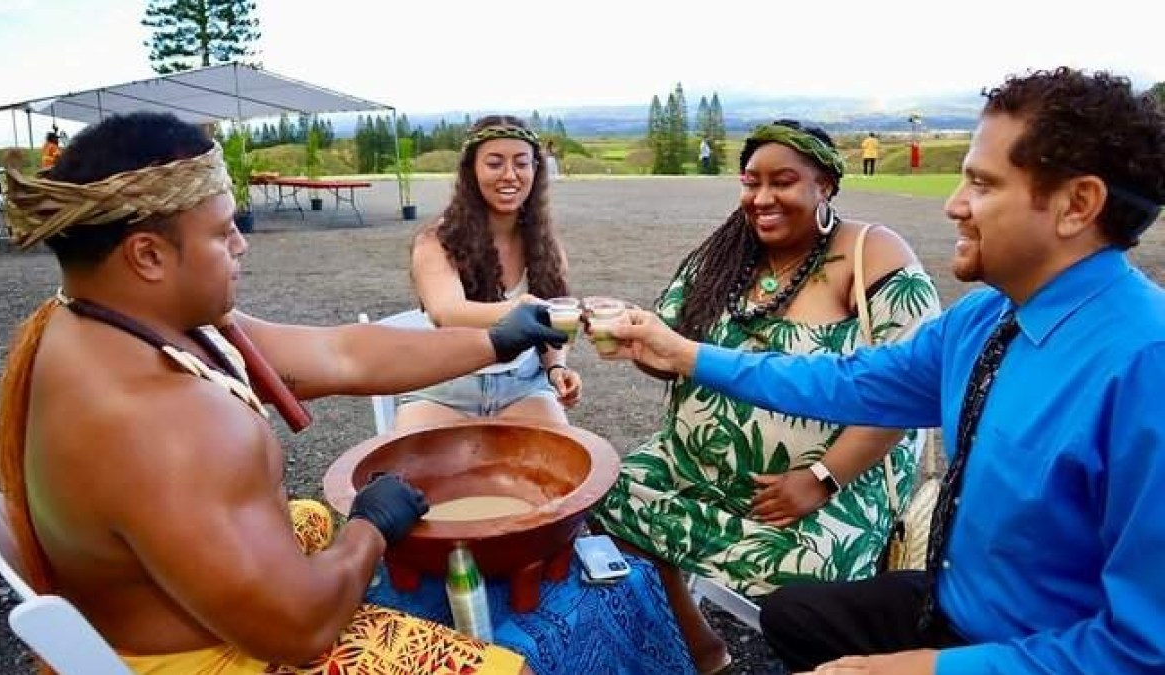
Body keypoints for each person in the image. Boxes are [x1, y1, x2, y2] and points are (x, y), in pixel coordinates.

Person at [598, 67, 1165, 675]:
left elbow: (1143, 649)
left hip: (1036, 647)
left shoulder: (1144, 368)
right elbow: (846, 381)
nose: (954, 204)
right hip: (953, 605)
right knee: (792, 618)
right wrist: (688, 355)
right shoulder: (986, 318)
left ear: (1077, 205)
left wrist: (922, 669)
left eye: (981, 183)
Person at [0, 111, 565, 674]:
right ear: (147, 255)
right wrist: (369, 528)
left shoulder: (110, 321)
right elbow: (300, 629)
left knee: (309, 515)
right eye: (222, 232)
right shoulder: (167, 419)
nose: (241, 244)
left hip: (152, 608)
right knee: (507, 668)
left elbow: (340, 354)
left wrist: (494, 341)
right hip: (210, 657)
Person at [591, 119, 941, 674]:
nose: (762, 198)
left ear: (825, 184)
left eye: (783, 181)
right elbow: (673, 355)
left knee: (814, 576)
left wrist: (820, 479)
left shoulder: (873, 254)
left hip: (834, 478)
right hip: (694, 462)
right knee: (605, 496)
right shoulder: (721, 257)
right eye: (751, 182)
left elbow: (906, 389)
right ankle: (701, 645)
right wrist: (638, 344)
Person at [395, 115, 581, 429]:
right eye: (495, 163)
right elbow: (446, 313)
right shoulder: (436, 241)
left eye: (521, 163)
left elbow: (552, 324)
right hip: (445, 384)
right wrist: (520, 308)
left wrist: (556, 369)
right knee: (417, 461)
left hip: (523, 386)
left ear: (536, 170)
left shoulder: (546, 246)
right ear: (471, 170)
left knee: (560, 457)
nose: (510, 175)